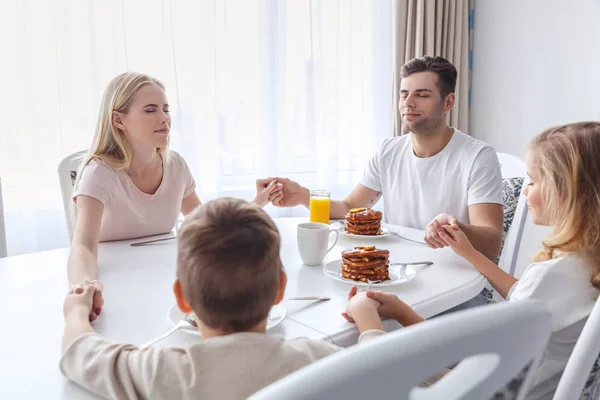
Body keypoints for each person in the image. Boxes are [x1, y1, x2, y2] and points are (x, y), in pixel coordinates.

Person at [344, 122, 600, 399]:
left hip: (482, 391)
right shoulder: (583, 263)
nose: (525, 191)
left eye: (533, 181)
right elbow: (527, 296)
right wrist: (467, 252)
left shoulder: (553, 275)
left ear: (567, 191)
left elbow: (467, 361)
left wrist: (367, 316)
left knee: (362, 366)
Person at [60, 198, 385, 399]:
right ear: (279, 290)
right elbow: (382, 369)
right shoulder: (313, 359)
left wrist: (76, 311)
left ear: (183, 298)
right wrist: (366, 315)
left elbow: (79, 353)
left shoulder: (162, 371)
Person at [67, 72, 282, 321]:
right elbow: (83, 245)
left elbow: (206, 224)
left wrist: (257, 203)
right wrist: (84, 287)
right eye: (150, 110)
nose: (164, 119)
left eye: (166, 109)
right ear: (118, 120)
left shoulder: (176, 165)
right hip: (114, 285)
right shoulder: (99, 173)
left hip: (164, 282)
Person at [267, 55, 504, 260]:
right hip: (398, 271)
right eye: (404, 95)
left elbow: (492, 243)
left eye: (422, 95)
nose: (408, 103)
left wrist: (452, 229)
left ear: (448, 102)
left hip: (458, 281)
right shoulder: (389, 151)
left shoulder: (478, 157)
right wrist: (302, 196)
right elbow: (350, 207)